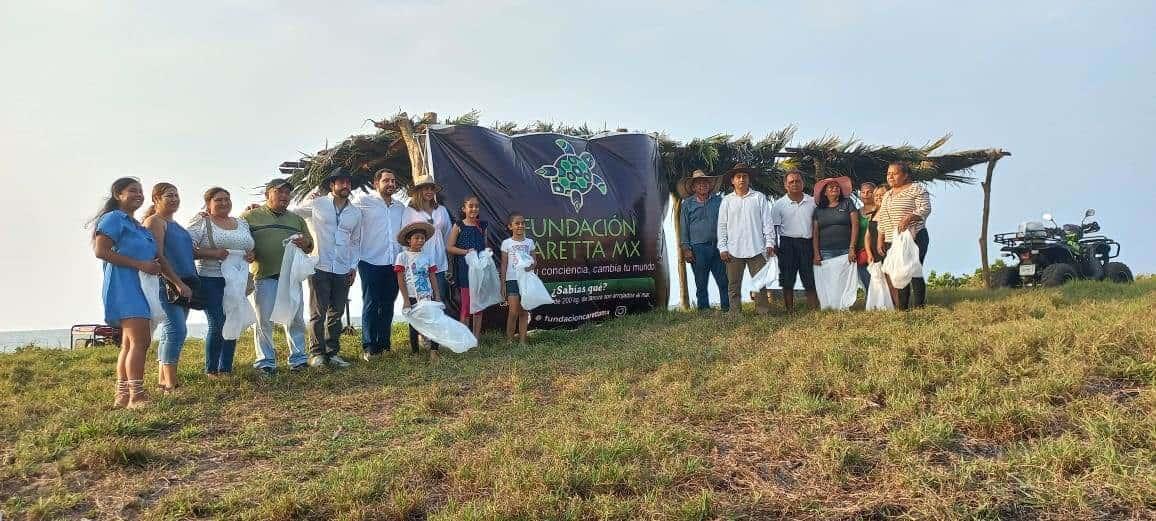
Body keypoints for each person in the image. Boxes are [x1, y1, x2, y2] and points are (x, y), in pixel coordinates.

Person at [91, 177, 162, 408]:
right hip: (124, 286)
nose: (139, 195)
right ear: (118, 194)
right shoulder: (113, 219)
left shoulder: (138, 226)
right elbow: (101, 251)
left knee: (130, 344)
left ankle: (122, 395)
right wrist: (141, 265)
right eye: (133, 191)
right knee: (141, 341)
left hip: (143, 286)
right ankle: (137, 395)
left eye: (141, 191)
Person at [241, 178, 314, 376]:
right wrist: (250, 253)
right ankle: (266, 362)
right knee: (263, 320)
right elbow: (241, 241)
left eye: (287, 193)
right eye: (279, 192)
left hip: (291, 277)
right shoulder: (250, 217)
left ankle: (298, 360)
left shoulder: (296, 219)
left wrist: (304, 242)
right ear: (267, 195)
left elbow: (310, 246)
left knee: (295, 319)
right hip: (264, 276)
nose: (284, 196)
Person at [293, 168, 362, 368]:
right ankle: (316, 354)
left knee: (336, 312)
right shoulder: (317, 204)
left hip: (342, 267)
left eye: (348, 182)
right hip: (319, 265)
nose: (345, 186)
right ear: (332, 185)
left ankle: (333, 353)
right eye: (341, 182)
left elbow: (356, 242)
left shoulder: (355, 212)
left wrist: (353, 266)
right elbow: (293, 214)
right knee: (317, 312)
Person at [188, 187, 254, 377]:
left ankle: (226, 368)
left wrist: (251, 255)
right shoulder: (201, 221)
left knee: (233, 319)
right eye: (218, 200)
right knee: (218, 322)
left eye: (227, 199)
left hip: (238, 280)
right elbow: (187, 248)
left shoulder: (241, 223)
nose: (224, 203)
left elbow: (250, 245)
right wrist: (212, 253)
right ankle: (211, 369)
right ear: (208, 203)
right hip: (211, 279)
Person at [142, 183, 196, 393]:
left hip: (186, 281)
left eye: (176, 195)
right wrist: (177, 282)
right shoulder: (155, 221)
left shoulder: (175, 224)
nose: (174, 199)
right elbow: (158, 255)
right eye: (168, 196)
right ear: (156, 198)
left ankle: (163, 382)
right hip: (168, 283)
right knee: (176, 330)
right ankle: (171, 384)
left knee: (170, 332)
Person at [352, 168, 405, 360]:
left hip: (393, 263)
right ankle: (369, 346)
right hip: (370, 260)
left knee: (388, 304)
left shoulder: (400, 207)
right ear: (376, 183)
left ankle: (384, 344)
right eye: (386, 181)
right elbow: (341, 211)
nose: (391, 184)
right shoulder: (362, 202)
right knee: (371, 303)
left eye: (393, 181)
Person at [716, 164, 776, 316]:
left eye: (745, 176)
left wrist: (769, 243)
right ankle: (734, 312)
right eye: (738, 177)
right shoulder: (727, 201)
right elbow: (722, 225)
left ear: (749, 179)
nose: (741, 179)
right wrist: (722, 247)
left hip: (756, 247)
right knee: (733, 284)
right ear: (733, 181)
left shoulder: (758, 197)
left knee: (760, 283)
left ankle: (763, 311)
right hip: (733, 249)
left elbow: (767, 222)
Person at [876, 161, 932, 309]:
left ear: (905, 175)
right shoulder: (887, 194)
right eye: (888, 174)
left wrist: (909, 217)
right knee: (899, 274)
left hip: (915, 237)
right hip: (893, 240)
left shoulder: (916, 188)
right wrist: (880, 239)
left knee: (914, 271)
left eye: (894, 173)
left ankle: (919, 307)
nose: (890, 177)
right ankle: (903, 309)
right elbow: (883, 218)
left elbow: (925, 209)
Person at [678, 170, 729, 313]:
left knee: (723, 280)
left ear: (710, 185)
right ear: (693, 187)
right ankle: (704, 310)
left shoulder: (719, 201)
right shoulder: (687, 204)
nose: (702, 185)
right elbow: (684, 228)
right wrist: (686, 249)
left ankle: (727, 308)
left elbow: (726, 223)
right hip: (697, 248)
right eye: (699, 183)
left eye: (705, 182)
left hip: (718, 246)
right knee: (701, 282)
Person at [770, 170, 819, 311]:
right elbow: (774, 227)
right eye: (791, 181)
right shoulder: (779, 205)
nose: (795, 184)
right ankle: (789, 311)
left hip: (807, 244)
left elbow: (817, 227)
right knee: (787, 281)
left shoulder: (812, 202)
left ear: (803, 183)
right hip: (787, 245)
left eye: (798, 181)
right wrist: (774, 246)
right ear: (786, 185)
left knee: (810, 280)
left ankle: (813, 311)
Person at [394, 222, 440, 362]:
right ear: (409, 240)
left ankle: (434, 351)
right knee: (414, 324)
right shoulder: (402, 257)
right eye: (417, 238)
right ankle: (415, 352)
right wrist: (406, 299)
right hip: (413, 296)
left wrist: (436, 295)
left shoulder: (427, 257)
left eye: (422, 238)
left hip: (427, 295)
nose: (420, 241)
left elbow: (432, 276)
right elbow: (401, 280)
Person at [446, 195, 491, 340]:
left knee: (478, 306)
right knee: (466, 306)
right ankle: (464, 339)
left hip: (480, 271)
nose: (474, 209)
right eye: (471, 206)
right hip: (465, 271)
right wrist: (466, 252)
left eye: (477, 206)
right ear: (464, 208)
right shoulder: (459, 226)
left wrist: (486, 258)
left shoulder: (483, 226)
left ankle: (476, 338)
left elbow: (484, 247)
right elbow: (450, 247)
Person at [500, 213, 535, 344]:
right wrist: (503, 284)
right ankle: (509, 340)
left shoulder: (529, 242)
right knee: (513, 311)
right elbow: (503, 265)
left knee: (524, 311)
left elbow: (534, 262)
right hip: (512, 280)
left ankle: (522, 341)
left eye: (523, 223)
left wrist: (530, 266)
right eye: (517, 223)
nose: (520, 225)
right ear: (510, 226)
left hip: (526, 280)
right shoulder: (506, 243)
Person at [811, 176, 859, 266]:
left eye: (837, 187)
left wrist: (852, 248)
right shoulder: (818, 209)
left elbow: (855, 225)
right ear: (825, 192)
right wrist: (816, 253)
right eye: (831, 187)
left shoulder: (847, 202)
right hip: (825, 252)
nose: (835, 188)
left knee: (846, 279)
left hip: (846, 250)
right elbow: (815, 233)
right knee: (829, 279)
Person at [856, 182, 879, 288]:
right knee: (867, 282)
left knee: (879, 281)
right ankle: (871, 303)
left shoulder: (880, 211)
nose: (865, 194)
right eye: (863, 192)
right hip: (861, 252)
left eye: (869, 192)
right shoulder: (856, 213)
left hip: (877, 251)